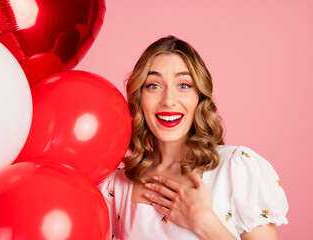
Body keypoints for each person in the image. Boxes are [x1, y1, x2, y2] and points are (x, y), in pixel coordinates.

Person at [98, 35, 288, 240]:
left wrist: (204, 222)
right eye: (153, 85)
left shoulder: (236, 168)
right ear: (139, 97)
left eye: (184, 85)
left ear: (199, 97)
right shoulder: (116, 186)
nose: (169, 101)